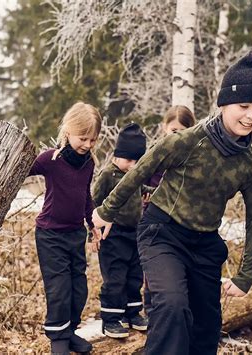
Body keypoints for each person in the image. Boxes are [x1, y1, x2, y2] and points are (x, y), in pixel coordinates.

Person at [92, 51, 252, 355]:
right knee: (172, 305)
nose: (251, 115)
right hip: (162, 233)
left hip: (205, 244)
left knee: (206, 326)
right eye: (243, 106)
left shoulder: (251, 165)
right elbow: (139, 172)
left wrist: (246, 275)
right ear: (224, 103)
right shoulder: (186, 141)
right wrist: (106, 211)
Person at [28, 102, 102, 355]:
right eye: (83, 138)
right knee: (59, 288)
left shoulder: (88, 163)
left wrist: (92, 224)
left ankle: (69, 332)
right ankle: (58, 338)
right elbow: (20, 170)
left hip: (75, 234)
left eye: (93, 140)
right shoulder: (50, 159)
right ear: (68, 131)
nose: (88, 145)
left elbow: (85, 197)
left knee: (78, 288)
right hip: (50, 234)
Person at [90, 123, 149, 339]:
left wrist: (154, 193)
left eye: (137, 161)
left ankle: (132, 313)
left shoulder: (136, 175)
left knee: (135, 276)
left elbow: (144, 191)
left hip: (135, 234)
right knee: (116, 278)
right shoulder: (108, 175)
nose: (133, 166)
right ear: (117, 155)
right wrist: (92, 233)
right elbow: (94, 202)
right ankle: (111, 319)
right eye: (129, 160)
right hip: (112, 236)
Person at [142, 105, 196, 315]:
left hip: (183, 221)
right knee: (155, 268)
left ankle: (180, 311)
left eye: (183, 131)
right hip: (154, 219)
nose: (178, 135)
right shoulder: (155, 153)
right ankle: (150, 309)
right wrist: (148, 195)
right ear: (164, 128)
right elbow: (139, 181)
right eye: (174, 131)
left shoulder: (193, 157)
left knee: (179, 269)